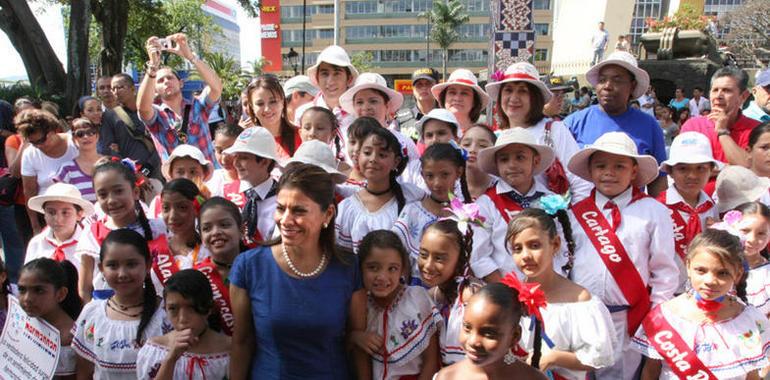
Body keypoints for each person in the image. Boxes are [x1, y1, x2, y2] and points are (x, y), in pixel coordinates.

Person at [229, 163, 359, 379]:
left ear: (327, 214)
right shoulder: (249, 267)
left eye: (299, 210)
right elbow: (242, 343)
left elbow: (355, 341)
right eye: (281, 208)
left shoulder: (348, 267)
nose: (286, 220)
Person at [565, 131, 678, 379]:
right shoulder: (574, 214)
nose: (609, 172)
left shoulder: (654, 212)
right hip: (582, 314)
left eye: (619, 166)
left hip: (628, 319)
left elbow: (664, 270)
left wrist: (655, 315)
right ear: (590, 171)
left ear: (634, 172)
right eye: (601, 166)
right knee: (577, 373)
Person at [632, 228, 770, 379]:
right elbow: (651, 371)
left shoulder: (748, 320)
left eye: (722, 273)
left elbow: (752, 375)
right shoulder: (664, 317)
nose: (710, 281)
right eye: (701, 270)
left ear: (737, 274)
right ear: (688, 267)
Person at [507, 208, 617, 380]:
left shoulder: (579, 301)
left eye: (535, 246)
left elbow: (597, 357)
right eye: (517, 248)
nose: (526, 255)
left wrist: (553, 357)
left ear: (555, 244)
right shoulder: (509, 296)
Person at [564, 51, 668, 196]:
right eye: (602, 80)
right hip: (583, 214)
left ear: (632, 86)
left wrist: (657, 213)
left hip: (634, 213)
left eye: (617, 80)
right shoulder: (573, 123)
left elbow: (658, 180)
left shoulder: (649, 125)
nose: (607, 86)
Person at [73, 229, 171, 380]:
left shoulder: (167, 315)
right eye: (113, 265)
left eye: (131, 264)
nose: (122, 274)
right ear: (101, 269)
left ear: (148, 264)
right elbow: (84, 373)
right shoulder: (92, 314)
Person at [485, 62, 592, 200]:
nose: (514, 98)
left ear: (535, 98)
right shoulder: (494, 137)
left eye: (523, 91)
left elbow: (582, 184)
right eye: (508, 90)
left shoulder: (554, 130)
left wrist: (567, 220)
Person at [349, 230, 441, 380]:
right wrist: (355, 337)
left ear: (403, 270)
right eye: (373, 267)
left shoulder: (417, 299)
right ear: (360, 268)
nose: (382, 277)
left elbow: (430, 360)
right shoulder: (361, 305)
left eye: (392, 268)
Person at [473, 127, 556, 282]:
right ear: (496, 164)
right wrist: (508, 291)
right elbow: (479, 257)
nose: (512, 165)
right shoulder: (485, 204)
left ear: (535, 161)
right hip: (505, 294)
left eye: (520, 157)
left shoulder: (551, 201)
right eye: (504, 159)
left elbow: (560, 251)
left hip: (548, 292)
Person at [76, 159, 165, 302]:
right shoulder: (92, 234)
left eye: (118, 191)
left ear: (135, 192)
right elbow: (84, 288)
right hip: (108, 312)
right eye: (103, 195)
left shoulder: (158, 228)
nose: (111, 200)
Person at [434, 277, 548, 380]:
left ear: (514, 336)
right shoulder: (447, 377)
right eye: (467, 328)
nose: (473, 341)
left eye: (488, 334)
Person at [138, 33, 222, 167]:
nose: (166, 81)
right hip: (178, 183)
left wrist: (191, 57)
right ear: (154, 89)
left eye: (170, 78)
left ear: (181, 83)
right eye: (160, 80)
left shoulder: (199, 105)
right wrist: (153, 66)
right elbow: (142, 107)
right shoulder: (157, 115)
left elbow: (217, 87)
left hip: (208, 179)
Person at [336, 125, 423, 252]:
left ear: (396, 162)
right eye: (367, 153)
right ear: (358, 156)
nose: (373, 159)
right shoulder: (347, 208)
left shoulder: (412, 196)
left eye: (382, 155)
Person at [393, 143, 471, 277]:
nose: (437, 183)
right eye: (430, 176)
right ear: (422, 175)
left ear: (458, 172)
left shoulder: (467, 215)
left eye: (445, 175)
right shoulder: (413, 211)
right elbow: (398, 252)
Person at [136, 269, 230, 380]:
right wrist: (171, 358)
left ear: (210, 308)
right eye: (173, 309)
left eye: (192, 308)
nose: (183, 319)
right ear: (165, 309)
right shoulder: (154, 350)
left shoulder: (231, 350)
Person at [656, 132, 722, 289]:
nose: (692, 175)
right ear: (671, 171)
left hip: (703, 288)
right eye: (683, 168)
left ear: (711, 170)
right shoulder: (658, 206)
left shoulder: (711, 206)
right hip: (666, 290)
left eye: (701, 168)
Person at [418, 219, 483, 366]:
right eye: (423, 254)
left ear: (460, 259)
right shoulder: (431, 296)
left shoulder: (472, 297)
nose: (428, 265)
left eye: (439, 258)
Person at [681, 67, 759, 167]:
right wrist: (727, 167)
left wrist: (722, 132)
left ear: (743, 96)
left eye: (727, 90)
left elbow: (752, 169)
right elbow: (686, 169)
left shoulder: (757, 131)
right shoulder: (693, 127)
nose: (718, 96)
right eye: (715, 90)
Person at [18, 109, 79, 235]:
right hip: (49, 218)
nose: (38, 146)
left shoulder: (75, 143)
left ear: (53, 131)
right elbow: (29, 192)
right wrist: (35, 226)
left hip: (80, 212)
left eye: (41, 140)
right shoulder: (30, 154)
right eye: (33, 143)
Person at [18, 258, 82, 378]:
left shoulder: (71, 336)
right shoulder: (20, 322)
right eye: (22, 290)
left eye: (38, 290)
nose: (27, 298)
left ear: (60, 294)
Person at [339, 72, 420, 160]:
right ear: (354, 106)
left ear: (387, 105)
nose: (366, 107)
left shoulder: (403, 143)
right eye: (360, 102)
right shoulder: (343, 142)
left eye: (373, 101)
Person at [222, 127, 280, 247]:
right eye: (236, 156)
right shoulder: (225, 192)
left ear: (265, 162)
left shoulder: (282, 199)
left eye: (244, 158)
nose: (236, 163)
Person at [99, 73, 163, 182]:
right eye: (113, 89)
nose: (115, 92)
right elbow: (109, 149)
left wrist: (149, 167)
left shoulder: (151, 111)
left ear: (133, 88)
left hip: (157, 169)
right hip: (129, 175)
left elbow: (162, 141)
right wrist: (132, 171)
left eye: (119, 87)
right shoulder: (110, 116)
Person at [152, 179, 211, 284]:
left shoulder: (208, 249)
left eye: (182, 207)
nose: (173, 216)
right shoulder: (156, 250)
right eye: (166, 208)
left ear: (196, 208)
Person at [292, 45, 359, 137]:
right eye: (325, 74)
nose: (330, 81)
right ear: (317, 78)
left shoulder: (358, 113)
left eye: (337, 74)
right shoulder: (303, 113)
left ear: (349, 79)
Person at [24, 183, 95, 266]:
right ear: (44, 215)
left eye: (65, 213)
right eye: (51, 212)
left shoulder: (89, 245)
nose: (57, 219)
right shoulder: (37, 243)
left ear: (79, 215)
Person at [400, 108, 461, 193]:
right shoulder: (411, 169)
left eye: (441, 133)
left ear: (456, 137)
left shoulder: (467, 169)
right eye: (429, 135)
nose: (435, 140)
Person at [149, 144, 213, 218]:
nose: (186, 177)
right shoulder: (158, 203)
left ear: (204, 174)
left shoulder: (211, 203)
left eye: (193, 172)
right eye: (180, 172)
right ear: (171, 174)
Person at [246, 74, 301, 159]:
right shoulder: (245, 142)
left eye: (273, 101)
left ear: (282, 102)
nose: (267, 109)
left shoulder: (302, 136)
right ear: (252, 107)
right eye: (260, 104)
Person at [731, 202, 770, 318]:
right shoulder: (716, 268)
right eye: (745, 231)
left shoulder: (767, 274)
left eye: (761, 233)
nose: (752, 239)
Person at [54, 118, 104, 202]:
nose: (86, 136)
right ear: (74, 140)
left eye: (90, 132)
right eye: (80, 134)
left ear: (97, 136)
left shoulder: (110, 164)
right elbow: (60, 201)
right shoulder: (66, 169)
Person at [431, 69, 489, 134]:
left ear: (474, 101)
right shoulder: (431, 133)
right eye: (452, 92)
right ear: (444, 98)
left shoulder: (482, 135)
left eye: (464, 93)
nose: (457, 98)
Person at [206, 122, 243, 200]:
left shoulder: (257, 180)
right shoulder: (211, 182)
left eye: (231, 151)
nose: (224, 159)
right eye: (219, 151)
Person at [460, 124, 497, 200]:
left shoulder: (503, 188)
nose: (472, 149)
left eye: (482, 145)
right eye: (467, 144)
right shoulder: (450, 185)